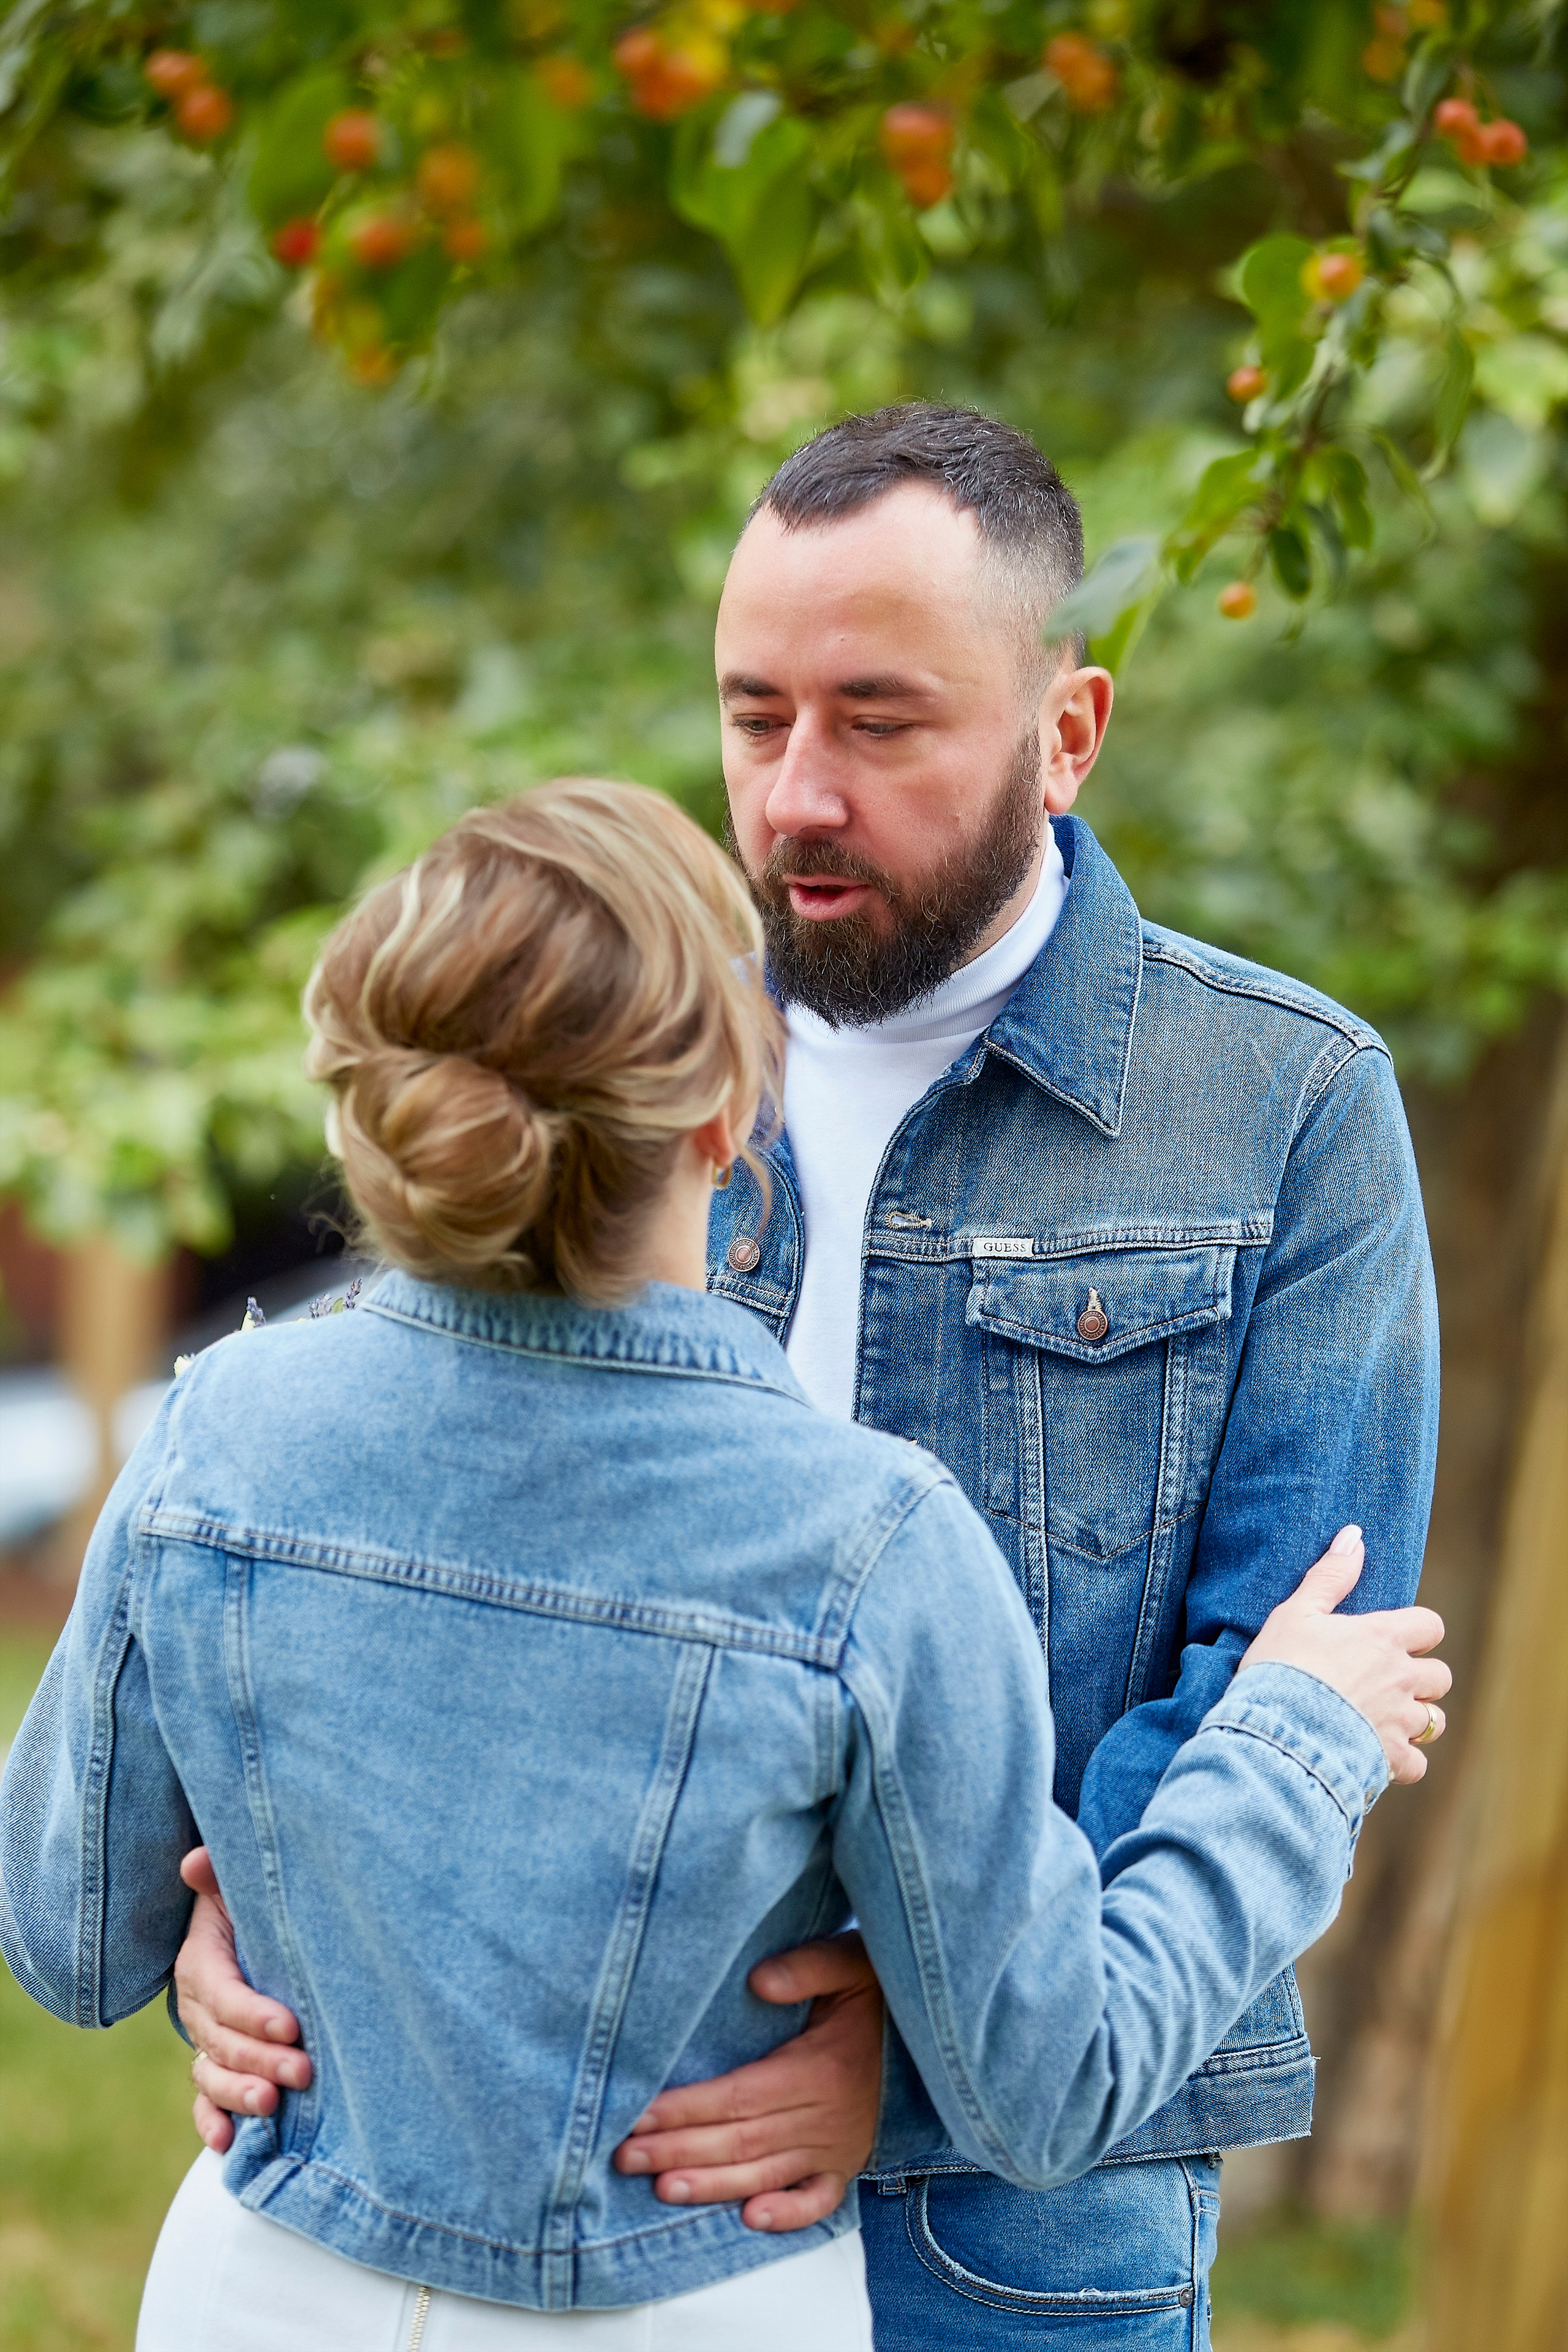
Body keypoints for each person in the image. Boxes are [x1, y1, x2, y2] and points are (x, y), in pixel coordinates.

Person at [173, 407, 1444, 2346]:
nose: (794, 797)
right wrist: (246, 1904)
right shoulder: (592, 1055)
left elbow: (1273, 1676)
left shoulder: (1285, 1108)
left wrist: (919, 2058)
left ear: (1068, 730)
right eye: (754, 717)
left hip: (1016, 2229)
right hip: (597, 2181)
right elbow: (422, 1553)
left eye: (879, 719)